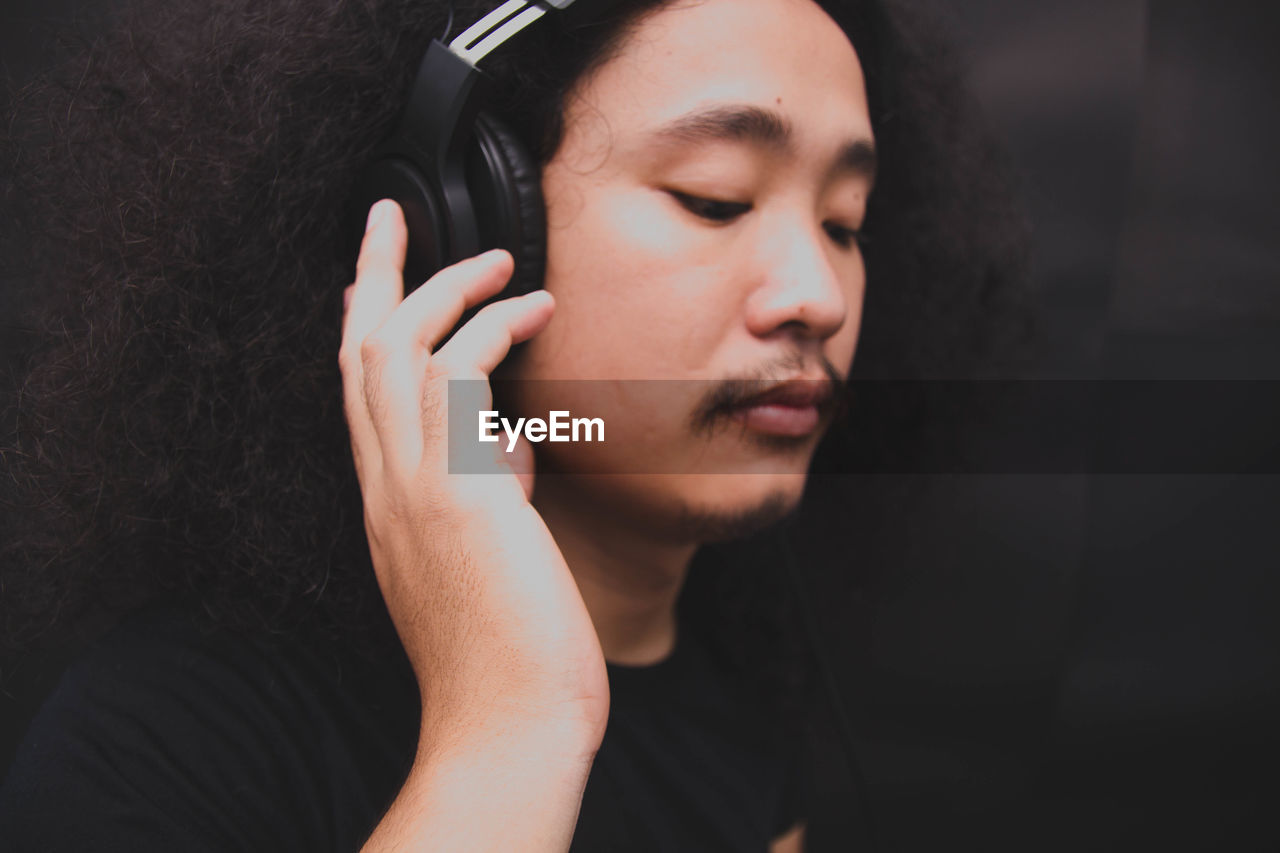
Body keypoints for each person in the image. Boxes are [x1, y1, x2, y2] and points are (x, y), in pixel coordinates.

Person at [0, 0, 1026, 849]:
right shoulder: (172, 737)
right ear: (469, 222)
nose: (818, 295)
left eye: (843, 222)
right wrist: (509, 731)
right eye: (713, 199)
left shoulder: (759, 695)